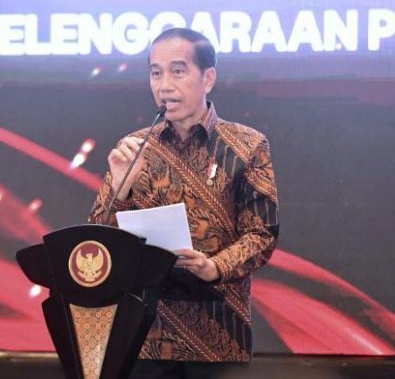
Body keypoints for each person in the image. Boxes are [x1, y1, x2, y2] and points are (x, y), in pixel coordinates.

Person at [89, 27, 279, 378]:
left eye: (177, 71)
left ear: (208, 78)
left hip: (219, 334)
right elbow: (96, 243)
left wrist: (215, 267)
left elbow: (262, 234)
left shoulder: (246, 146)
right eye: (155, 73)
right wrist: (120, 190)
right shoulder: (135, 148)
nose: (164, 85)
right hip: (145, 334)